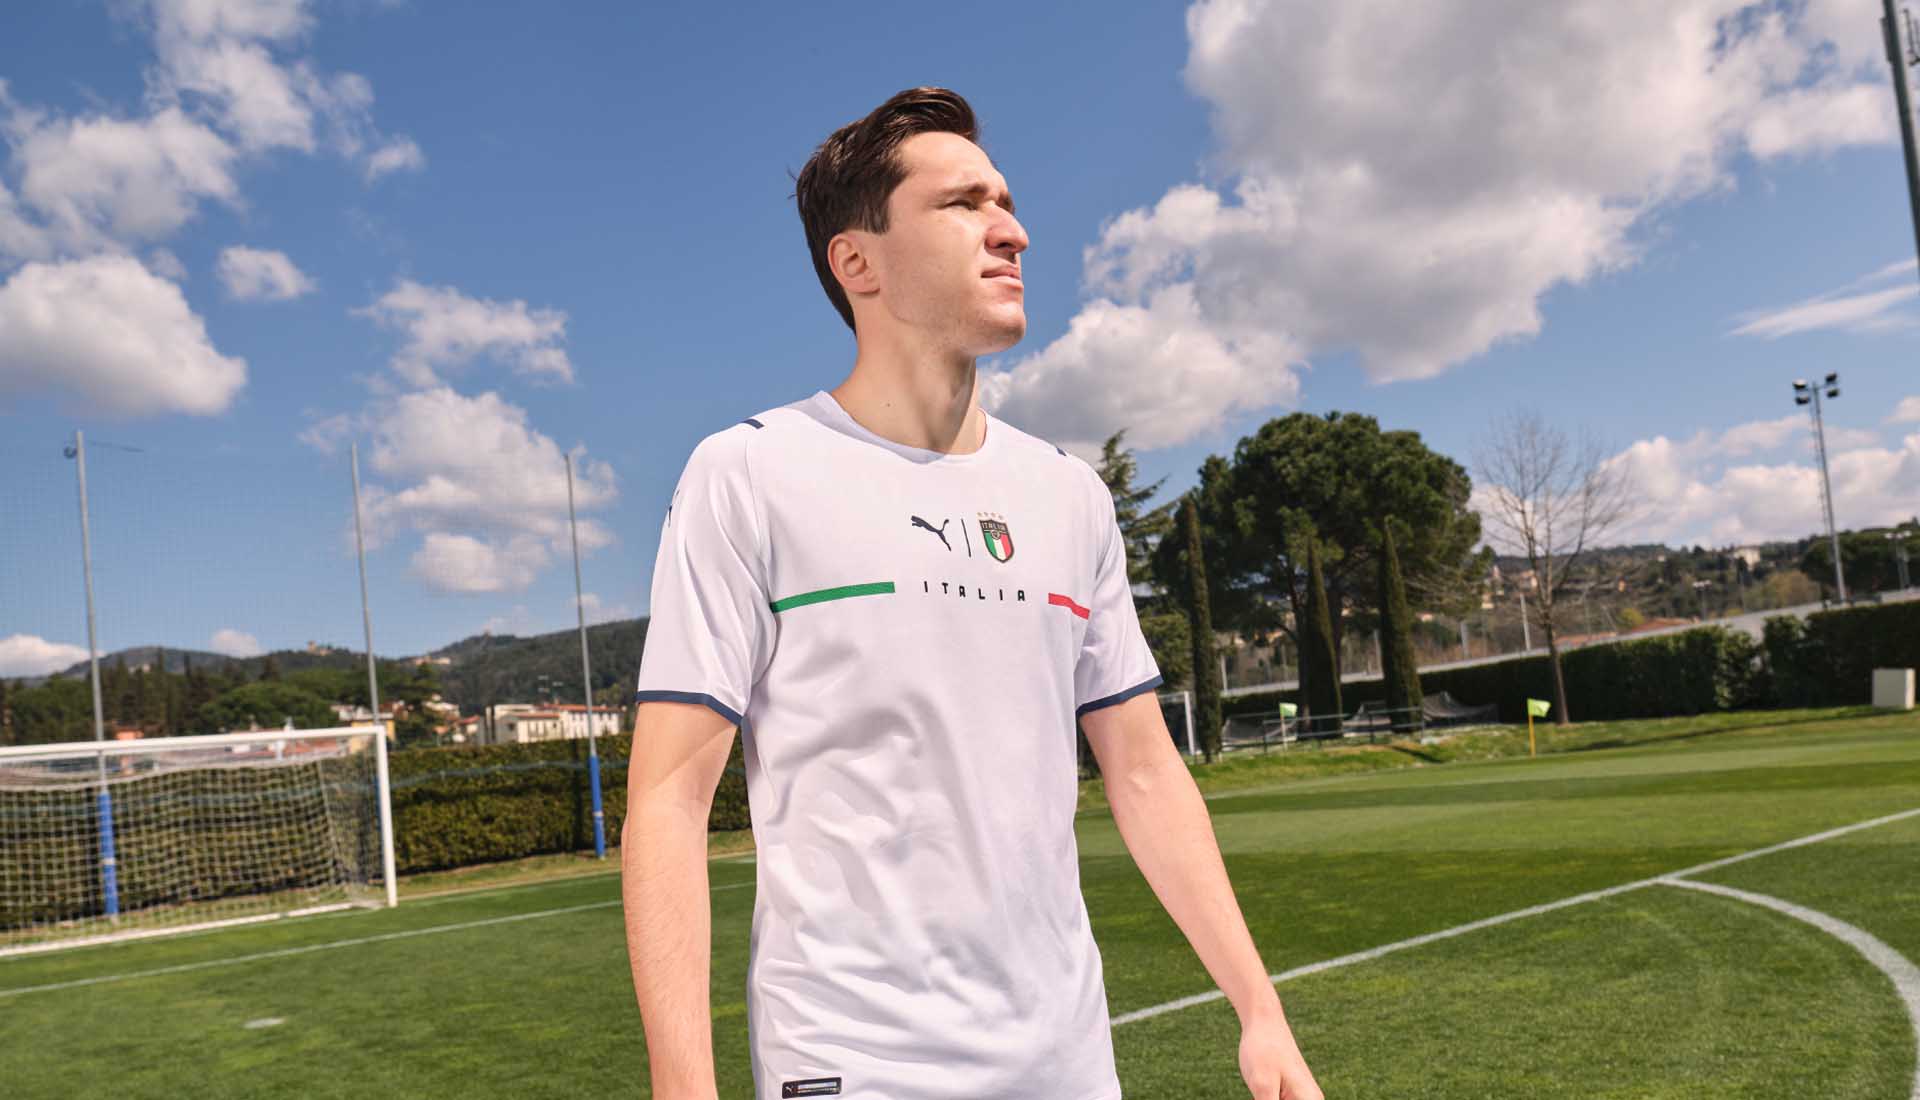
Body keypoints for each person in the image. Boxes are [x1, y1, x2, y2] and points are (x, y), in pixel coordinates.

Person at [622, 86, 1322, 1100]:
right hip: (855, 1063)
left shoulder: (1070, 495)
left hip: (1068, 1060)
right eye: (962, 204)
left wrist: (1260, 1007)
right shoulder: (749, 474)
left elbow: (1143, 771)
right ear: (857, 262)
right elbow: (669, 798)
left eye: (1006, 202)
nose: (1013, 231)